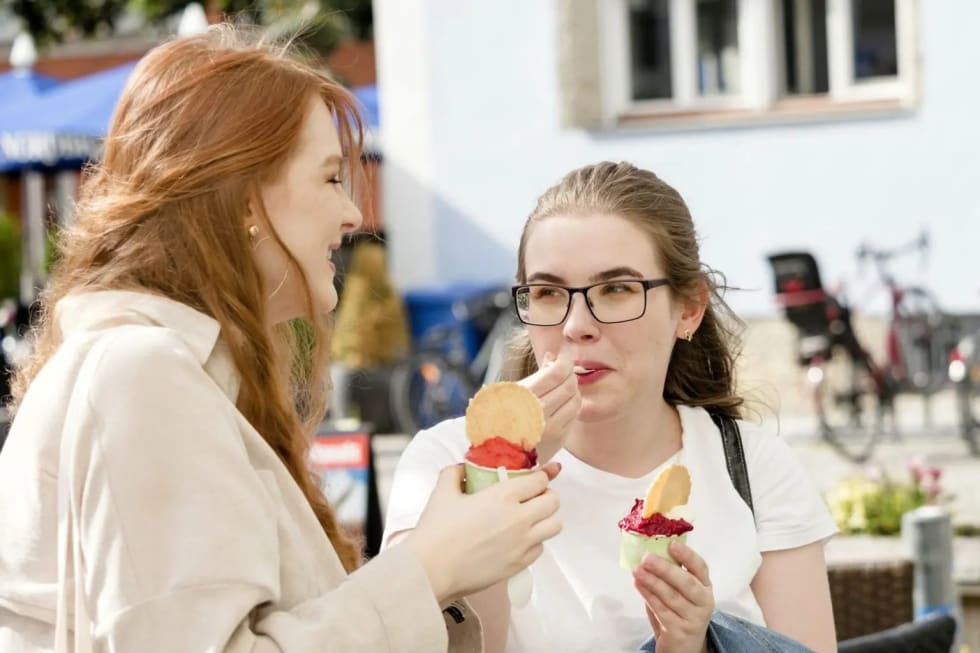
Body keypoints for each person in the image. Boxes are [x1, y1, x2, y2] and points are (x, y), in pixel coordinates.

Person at [0, 25, 562, 652]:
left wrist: (447, 567)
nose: (353, 214)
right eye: (328, 178)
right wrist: (429, 567)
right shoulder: (141, 374)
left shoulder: (168, 373)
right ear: (243, 196)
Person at [383, 162, 839, 653]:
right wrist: (505, 472)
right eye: (549, 293)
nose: (577, 324)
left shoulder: (754, 467)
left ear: (688, 309)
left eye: (617, 289)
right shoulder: (444, 464)